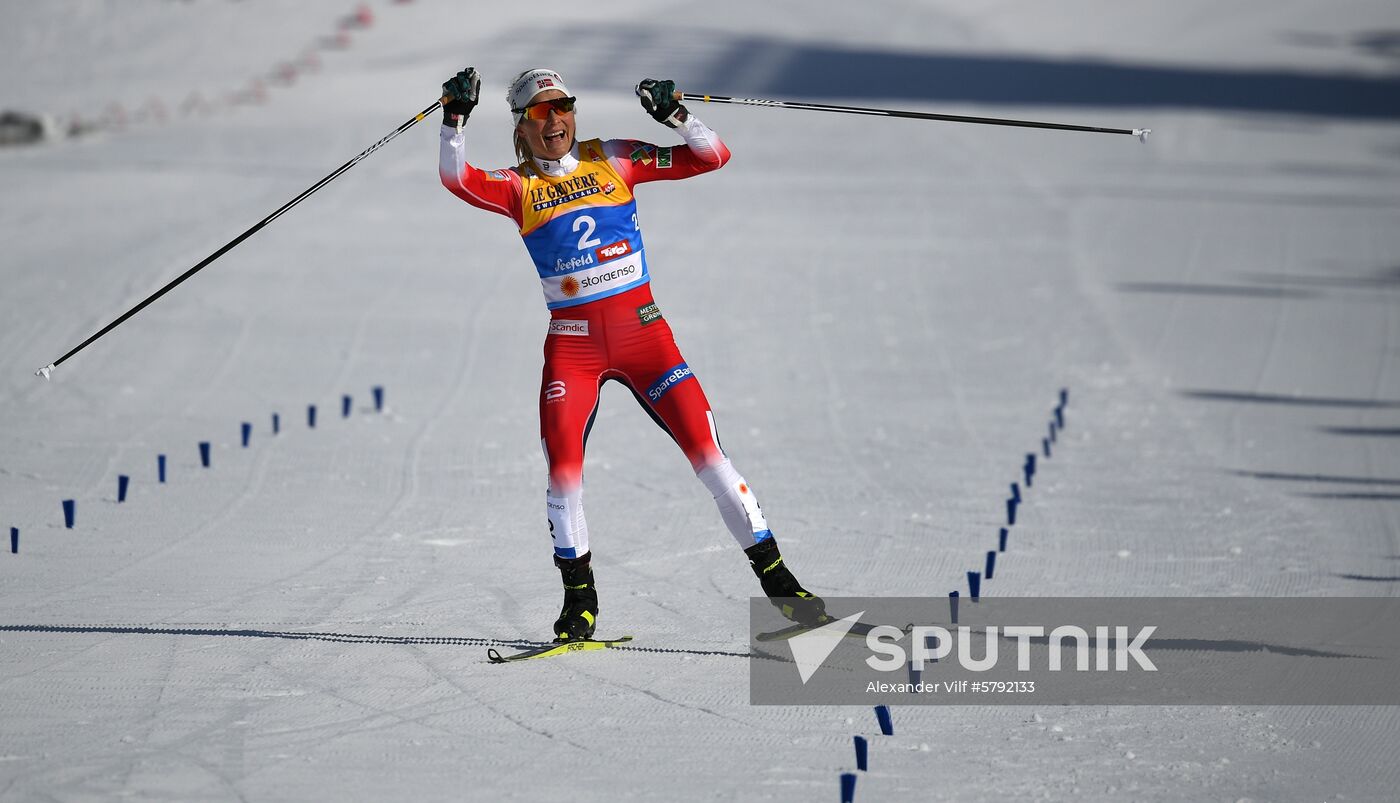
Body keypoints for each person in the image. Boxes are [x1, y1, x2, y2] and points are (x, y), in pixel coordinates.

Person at [438, 66, 825, 641]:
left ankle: (781, 585)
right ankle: (580, 600)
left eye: (563, 106)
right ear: (521, 128)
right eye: (542, 113)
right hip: (574, 350)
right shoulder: (516, 186)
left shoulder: (612, 157)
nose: (556, 121)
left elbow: (712, 155)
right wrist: (454, 119)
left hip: (647, 340)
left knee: (710, 456)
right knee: (563, 472)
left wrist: (677, 115)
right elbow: (456, 178)